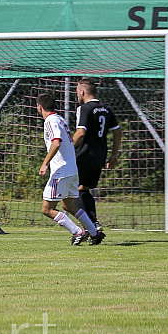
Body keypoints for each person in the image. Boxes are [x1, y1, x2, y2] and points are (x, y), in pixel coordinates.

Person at [37, 93, 105, 245]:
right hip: (72, 169)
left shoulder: (50, 120)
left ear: (40, 107)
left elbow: (56, 142)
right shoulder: (60, 119)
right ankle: (94, 233)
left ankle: (78, 232)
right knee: (68, 205)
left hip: (60, 170)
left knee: (47, 209)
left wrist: (45, 163)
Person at [73, 77, 122, 231]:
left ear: (82, 91)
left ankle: (91, 224)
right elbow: (118, 132)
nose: (77, 96)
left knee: (75, 190)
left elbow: (80, 133)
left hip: (85, 153)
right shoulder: (106, 108)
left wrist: (66, 148)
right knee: (84, 188)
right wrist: (114, 155)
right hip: (100, 155)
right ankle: (94, 223)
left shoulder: (84, 108)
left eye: (77, 92)